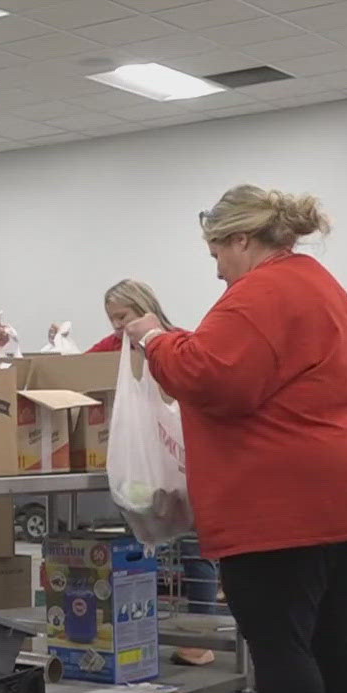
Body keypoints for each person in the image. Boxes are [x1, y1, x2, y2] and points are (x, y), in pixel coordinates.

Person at [123, 186, 347, 693]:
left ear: (242, 240)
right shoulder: (319, 283)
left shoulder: (258, 293)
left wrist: (154, 337)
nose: (216, 269)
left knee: (279, 640)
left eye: (217, 252)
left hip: (292, 498)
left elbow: (213, 380)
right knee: (338, 629)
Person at [71, 280, 222, 664]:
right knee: (139, 545)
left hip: (181, 463)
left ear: (144, 308)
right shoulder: (112, 351)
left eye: (123, 317)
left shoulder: (178, 342)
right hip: (139, 468)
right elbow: (77, 373)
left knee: (194, 548)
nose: (118, 327)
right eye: (112, 320)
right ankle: (137, 633)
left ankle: (199, 639)